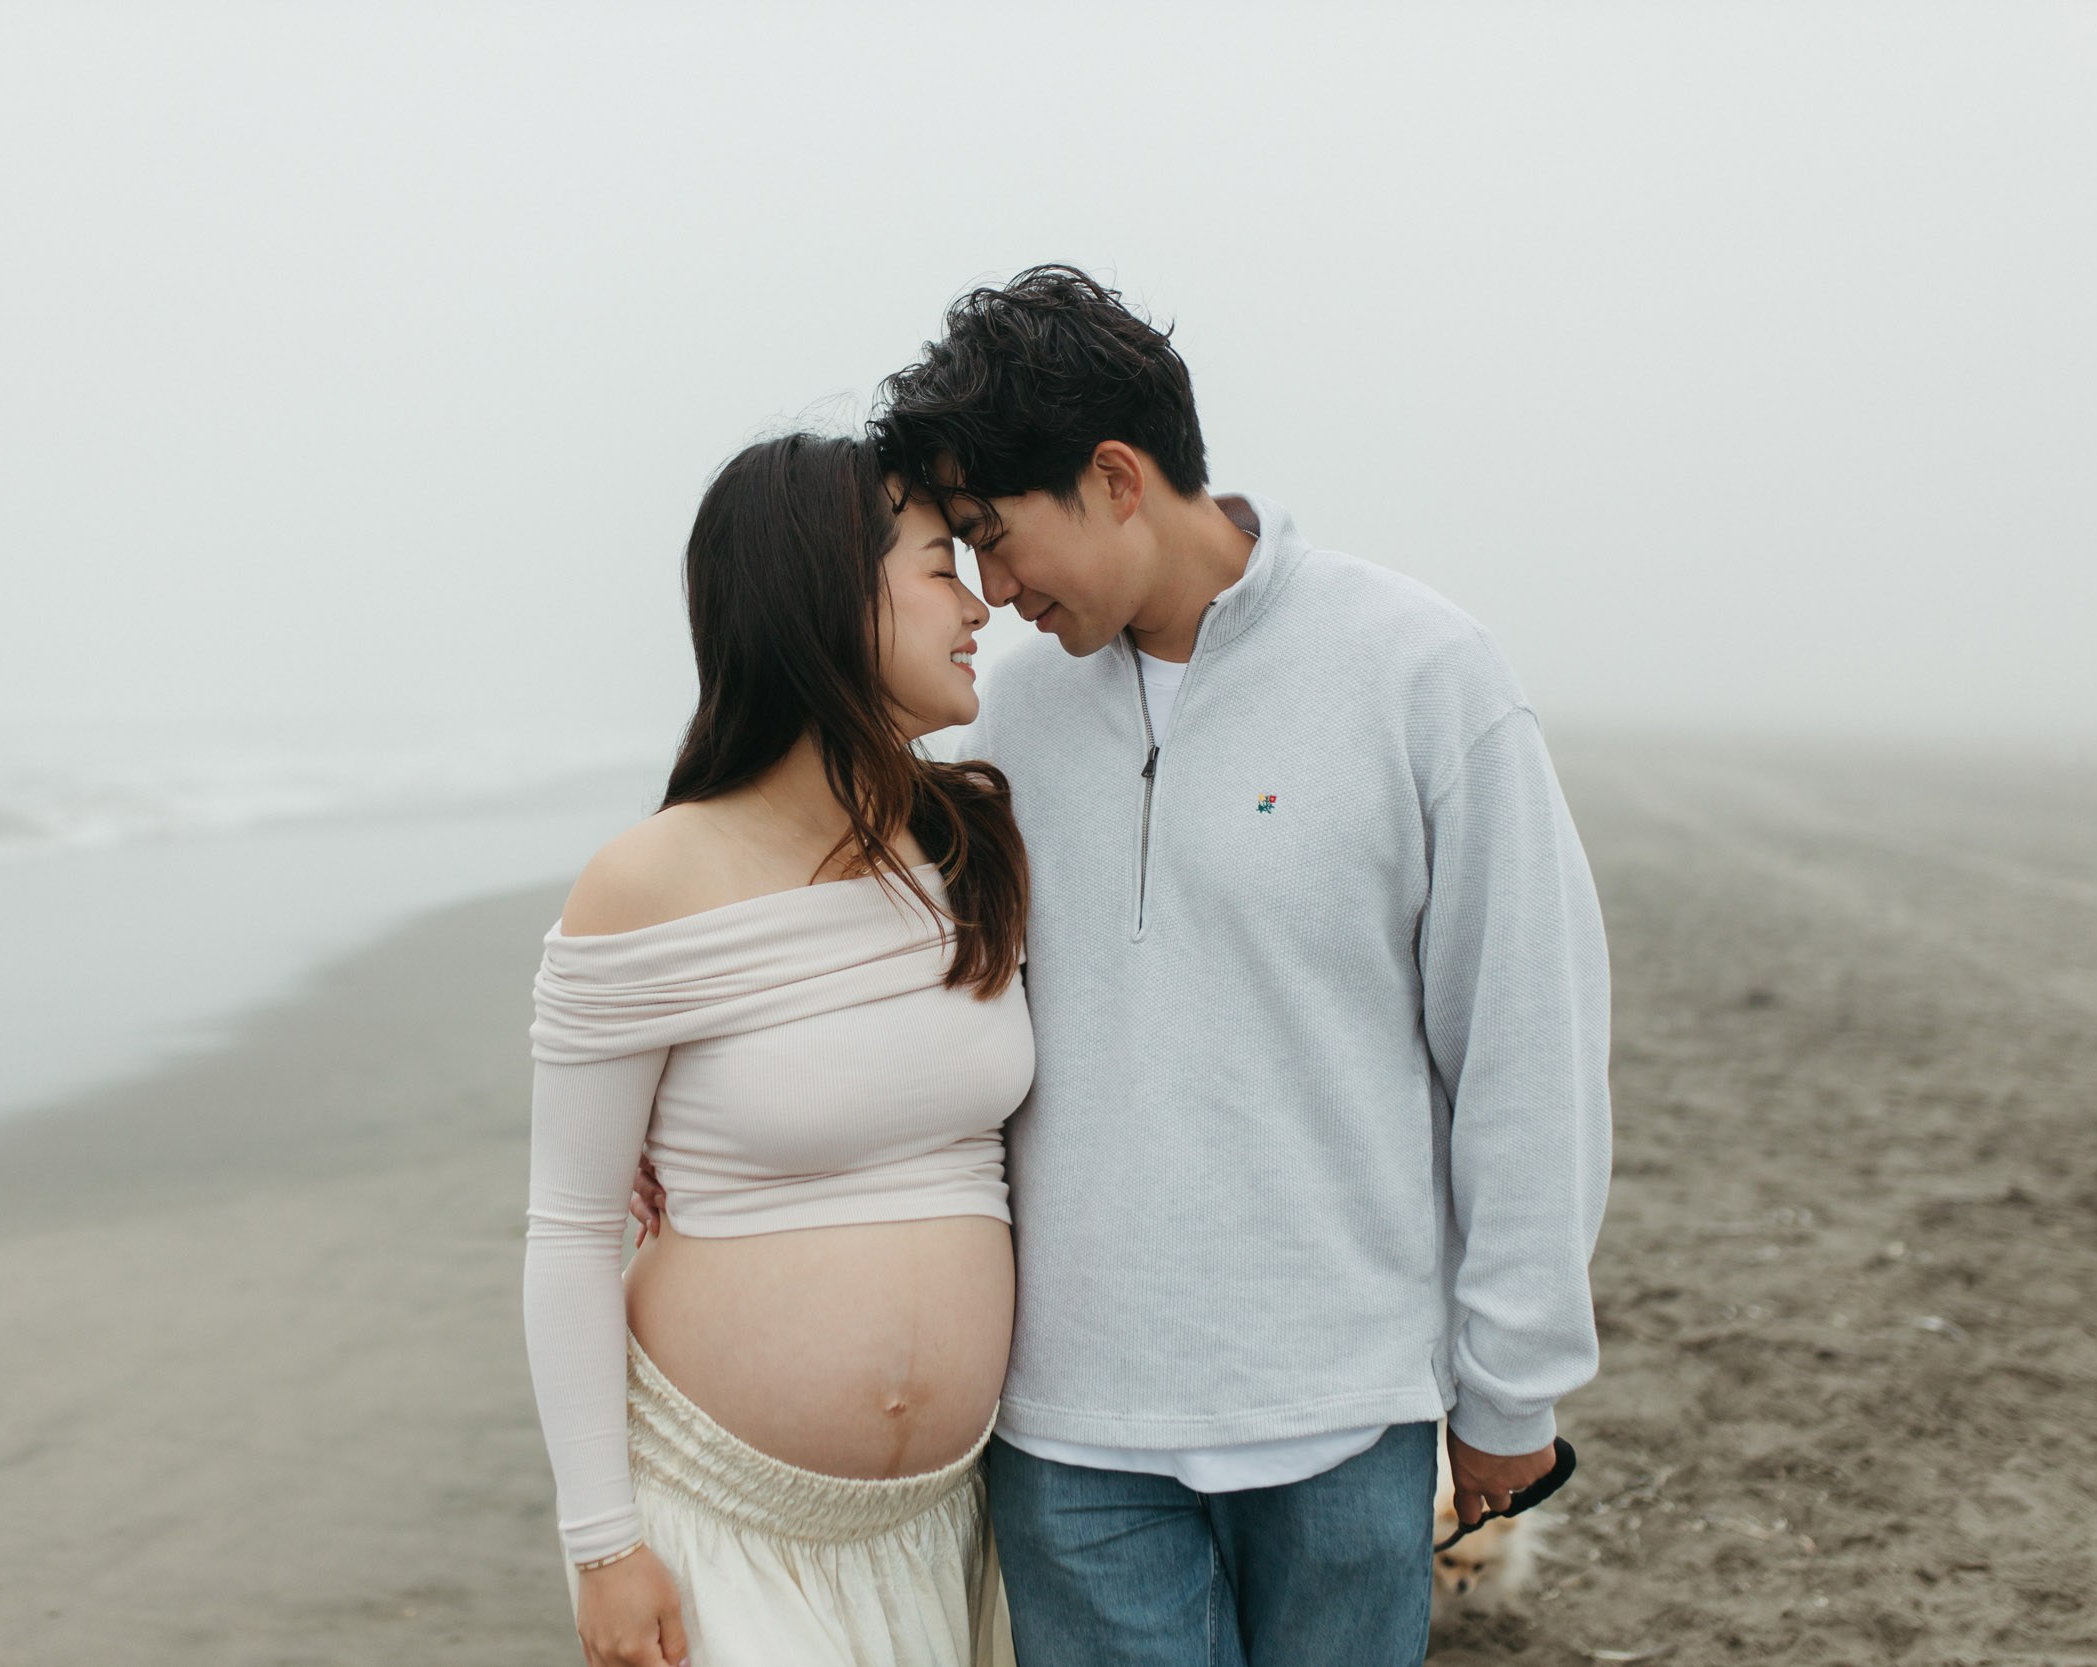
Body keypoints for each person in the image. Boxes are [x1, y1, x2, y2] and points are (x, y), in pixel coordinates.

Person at [639, 268, 1611, 1663]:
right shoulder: (993, 718)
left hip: (1346, 1408)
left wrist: (1513, 1383)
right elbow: (833, 926)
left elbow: (1527, 1042)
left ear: (1111, 477)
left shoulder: (1421, 674)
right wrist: (671, 1101)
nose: (988, 585)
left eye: (993, 532)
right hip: (1068, 1434)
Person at [523, 431, 1032, 1667]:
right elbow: (571, 1224)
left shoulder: (972, 845)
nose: (980, 604)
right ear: (825, 596)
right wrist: (600, 1542)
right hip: (723, 1524)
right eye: (937, 567)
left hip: (952, 1522)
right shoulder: (647, 882)